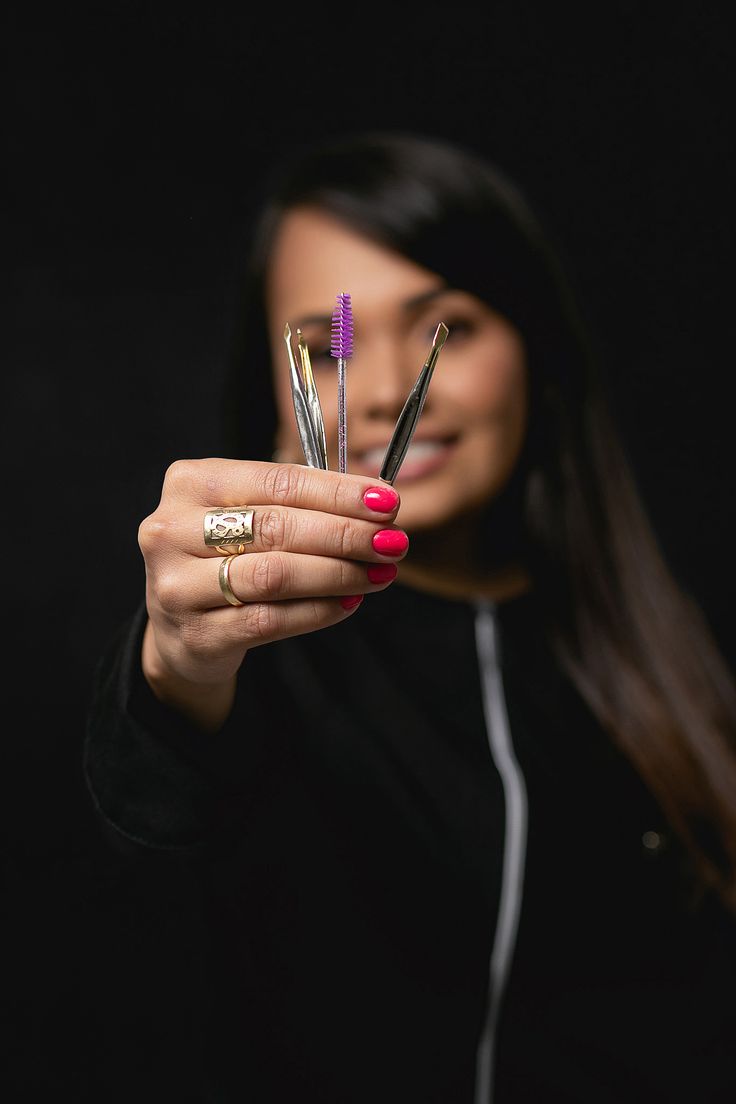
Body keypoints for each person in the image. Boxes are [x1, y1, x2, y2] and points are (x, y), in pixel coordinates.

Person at [84, 130, 736, 1103]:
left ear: (535, 349)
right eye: (328, 343)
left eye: (447, 328)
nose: (387, 390)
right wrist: (180, 657)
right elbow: (161, 788)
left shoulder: (673, 660)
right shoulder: (261, 676)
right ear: (273, 387)